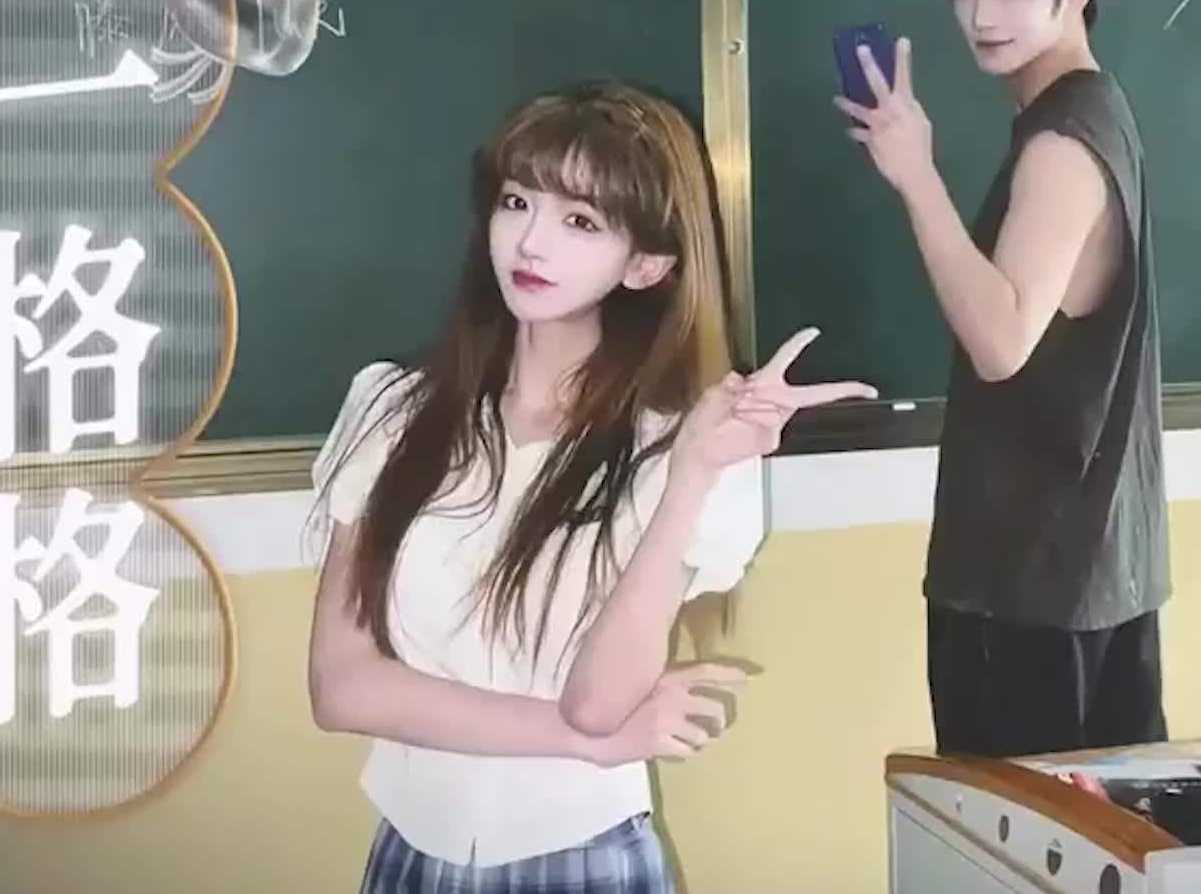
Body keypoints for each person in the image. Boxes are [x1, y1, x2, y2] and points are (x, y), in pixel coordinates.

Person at [306, 80, 874, 892]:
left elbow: (599, 704)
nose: (531, 243)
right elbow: (341, 686)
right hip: (409, 856)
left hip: (585, 863)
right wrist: (581, 743)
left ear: (646, 264)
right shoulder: (391, 411)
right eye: (516, 202)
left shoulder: (681, 447)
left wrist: (691, 477)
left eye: (580, 222)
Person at [834, 0, 1169, 760]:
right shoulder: (1092, 115)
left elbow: (1002, 340)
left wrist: (916, 177)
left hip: (1030, 590)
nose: (982, 15)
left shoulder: (1063, 142)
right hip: (1081, 577)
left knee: (1014, 833)